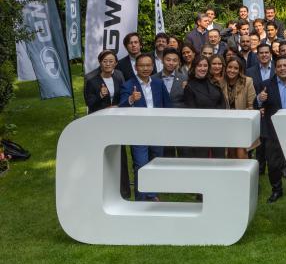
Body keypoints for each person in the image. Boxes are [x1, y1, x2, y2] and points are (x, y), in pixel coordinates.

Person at [118, 54, 172, 200]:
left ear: (153, 67)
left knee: (156, 163)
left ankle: (152, 195)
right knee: (141, 165)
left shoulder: (158, 83)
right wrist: (131, 99)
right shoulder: (128, 85)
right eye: (142, 65)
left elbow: (168, 106)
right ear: (136, 67)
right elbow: (121, 107)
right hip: (138, 132)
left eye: (148, 65)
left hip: (157, 130)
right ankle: (140, 199)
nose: (146, 68)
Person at [85, 50, 131, 199]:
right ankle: (101, 189)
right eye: (105, 61)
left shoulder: (119, 76)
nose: (108, 64)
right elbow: (89, 103)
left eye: (111, 61)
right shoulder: (91, 80)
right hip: (100, 123)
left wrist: (122, 104)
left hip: (117, 122)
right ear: (100, 63)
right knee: (103, 154)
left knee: (120, 155)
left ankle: (124, 191)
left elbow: (122, 95)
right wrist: (100, 96)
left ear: (116, 63)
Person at [258, 56, 286, 202]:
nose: (282, 68)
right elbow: (257, 105)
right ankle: (276, 190)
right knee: (273, 164)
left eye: (285, 65)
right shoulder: (266, 85)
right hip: (273, 130)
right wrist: (259, 99)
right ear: (275, 69)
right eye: (279, 66)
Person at [183, 56, 226, 160]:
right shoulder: (189, 87)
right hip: (200, 132)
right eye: (199, 66)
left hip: (218, 129)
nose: (203, 68)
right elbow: (192, 112)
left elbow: (222, 103)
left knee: (219, 160)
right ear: (194, 67)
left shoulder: (213, 83)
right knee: (201, 161)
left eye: (205, 65)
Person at [221, 57, 256, 159]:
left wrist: (238, 115)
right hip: (226, 124)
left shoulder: (247, 81)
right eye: (230, 67)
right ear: (226, 68)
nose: (232, 70)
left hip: (242, 124)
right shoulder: (220, 82)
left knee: (241, 154)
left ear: (240, 70)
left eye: (235, 68)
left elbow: (252, 105)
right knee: (230, 154)